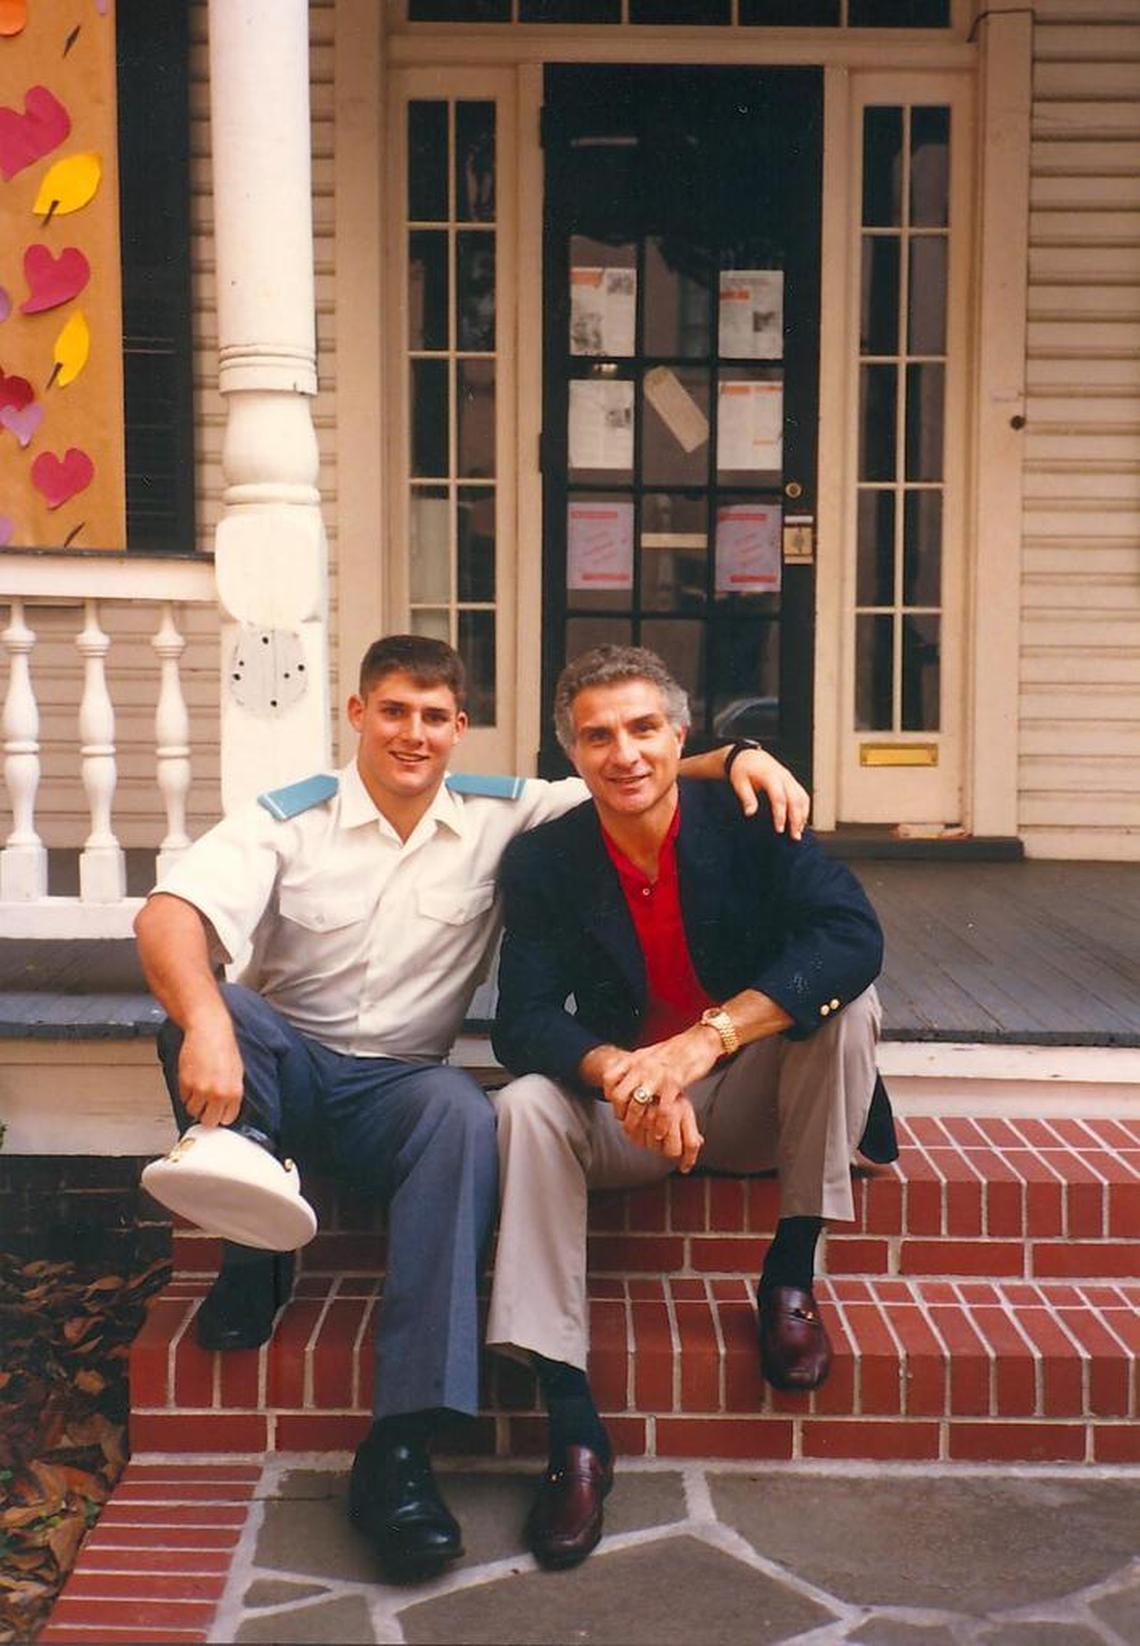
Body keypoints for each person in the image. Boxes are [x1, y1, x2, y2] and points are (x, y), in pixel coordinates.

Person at [133, 633, 810, 1583]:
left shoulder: (507, 816)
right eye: (394, 710)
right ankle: (255, 1250)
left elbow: (632, 768)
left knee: (463, 1109)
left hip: (403, 1090)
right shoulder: (289, 819)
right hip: (283, 1064)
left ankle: (400, 1452)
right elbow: (169, 914)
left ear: (461, 728)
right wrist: (205, 1019)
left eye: (435, 716)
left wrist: (737, 755)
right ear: (359, 714)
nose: (414, 733)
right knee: (207, 1013)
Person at [486, 644, 896, 1570]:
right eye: (598, 737)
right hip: (634, 1115)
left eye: (642, 729)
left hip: (753, 1102)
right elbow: (523, 1019)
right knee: (520, 1110)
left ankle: (791, 1272)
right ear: (573, 755)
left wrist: (701, 1045)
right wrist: (623, 1075)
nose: (624, 754)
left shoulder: (748, 815)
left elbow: (851, 938)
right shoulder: (547, 860)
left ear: (681, 737)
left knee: (842, 1007)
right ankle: (573, 1421)